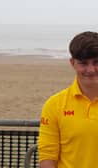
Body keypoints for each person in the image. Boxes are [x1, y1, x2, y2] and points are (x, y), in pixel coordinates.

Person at [38, 31, 98, 168]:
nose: (91, 69)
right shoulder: (54, 105)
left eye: (96, 62)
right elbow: (47, 155)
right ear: (73, 63)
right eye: (83, 63)